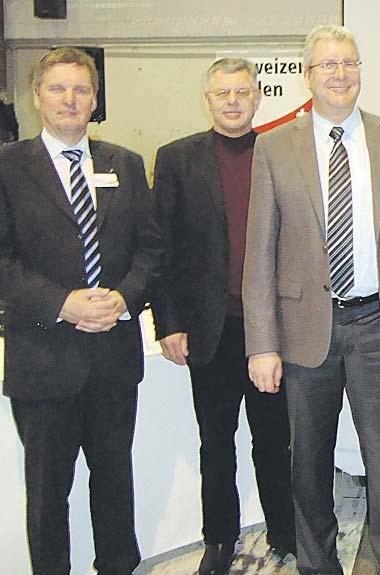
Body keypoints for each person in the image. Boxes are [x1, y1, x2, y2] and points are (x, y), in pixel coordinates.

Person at [241, 25, 380, 575]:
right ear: (308, 75)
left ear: (360, 71)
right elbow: (260, 255)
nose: (339, 73)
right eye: (328, 64)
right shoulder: (273, 147)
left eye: (349, 62)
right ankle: (318, 564)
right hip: (305, 332)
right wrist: (262, 344)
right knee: (308, 463)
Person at [0, 46, 160, 575]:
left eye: (81, 89)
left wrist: (125, 297)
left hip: (113, 359)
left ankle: (118, 566)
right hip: (44, 362)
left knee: (115, 483)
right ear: (37, 96)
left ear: (94, 100)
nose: (70, 99)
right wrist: (62, 304)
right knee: (48, 496)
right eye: (58, 88)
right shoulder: (7, 167)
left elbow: (151, 249)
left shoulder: (125, 164)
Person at [150, 57, 295, 575]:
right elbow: (160, 246)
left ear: (257, 98)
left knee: (275, 438)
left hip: (270, 330)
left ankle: (285, 530)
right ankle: (219, 538)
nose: (233, 102)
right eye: (222, 93)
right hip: (210, 330)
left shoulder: (281, 153)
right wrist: (168, 322)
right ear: (207, 99)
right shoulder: (177, 158)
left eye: (242, 92)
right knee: (216, 441)